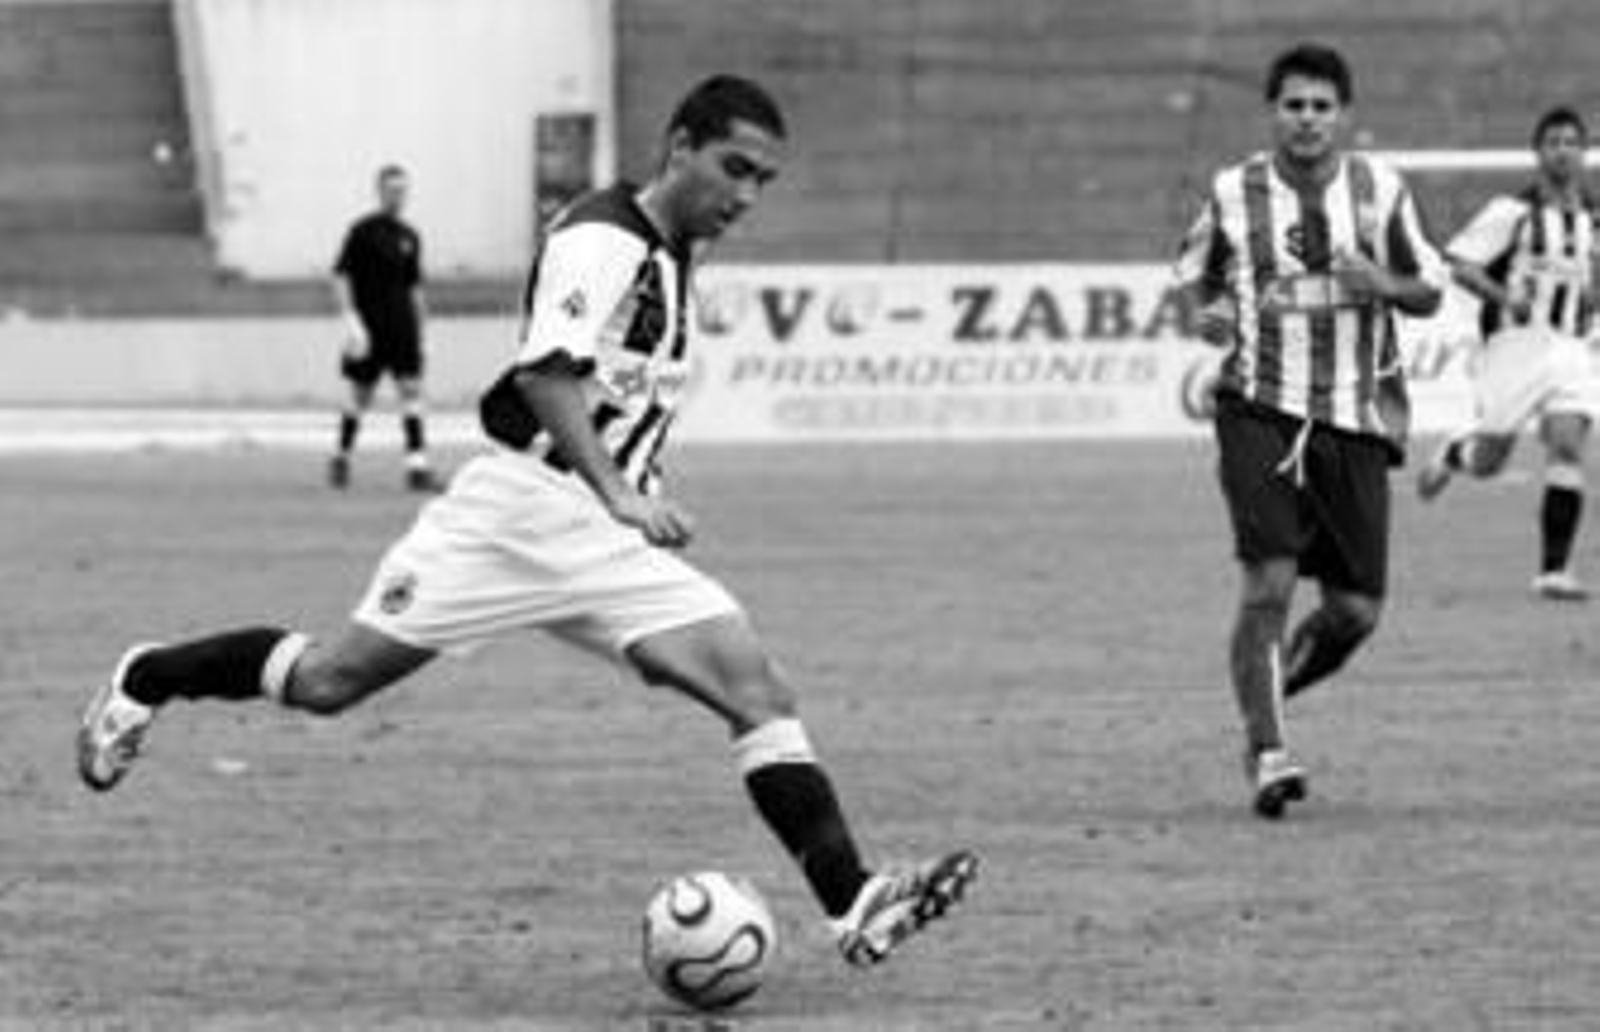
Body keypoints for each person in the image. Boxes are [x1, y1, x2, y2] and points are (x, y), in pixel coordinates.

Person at [76, 74, 976, 966]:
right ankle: (148, 675)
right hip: (517, 514)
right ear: (680, 148)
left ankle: (853, 901)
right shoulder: (601, 238)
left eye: (763, 182)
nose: (746, 197)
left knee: (758, 691)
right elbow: (546, 374)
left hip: (602, 538)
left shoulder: (675, 251)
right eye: (734, 169)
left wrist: (622, 496)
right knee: (327, 683)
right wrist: (620, 490)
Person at [1174, 43, 1446, 818]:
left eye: (1322, 106)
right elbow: (1192, 275)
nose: (1307, 119)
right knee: (1269, 583)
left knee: (1356, 611)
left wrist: (1381, 282)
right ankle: (1269, 750)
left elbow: (1429, 288)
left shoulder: (1380, 189)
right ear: (1274, 113)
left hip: (1354, 417)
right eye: (1294, 105)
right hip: (1258, 408)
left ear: (1343, 116)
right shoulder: (1234, 191)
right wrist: (1209, 313)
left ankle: (1267, 699)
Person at [1415, 106, 1600, 601]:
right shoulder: (1511, 213)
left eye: (1571, 142)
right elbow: (1460, 264)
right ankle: (1457, 452)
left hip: (1569, 347)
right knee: (1490, 461)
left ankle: (1554, 571)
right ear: (1538, 153)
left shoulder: (1594, 217)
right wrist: (1503, 297)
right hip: (1513, 348)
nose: (1563, 151)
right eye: (1553, 142)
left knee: (1567, 444)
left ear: (1583, 153)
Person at [329, 163, 440, 493]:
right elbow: (340, 276)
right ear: (379, 191)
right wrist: (351, 320)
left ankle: (417, 467)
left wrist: (424, 331)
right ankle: (341, 456)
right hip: (370, 329)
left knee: (411, 391)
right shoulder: (362, 231)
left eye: (402, 190)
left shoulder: (410, 236)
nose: (398, 195)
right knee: (360, 395)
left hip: (403, 328)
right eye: (392, 189)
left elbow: (415, 287)